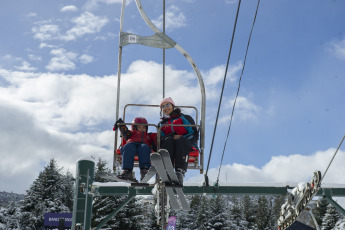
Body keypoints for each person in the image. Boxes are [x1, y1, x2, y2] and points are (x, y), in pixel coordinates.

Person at [158, 97, 197, 185]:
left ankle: (180, 172)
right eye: (163, 106)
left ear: (173, 105)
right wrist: (171, 136)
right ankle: (168, 171)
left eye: (167, 104)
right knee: (168, 141)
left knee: (180, 140)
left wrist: (182, 137)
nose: (166, 108)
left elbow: (194, 133)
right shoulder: (162, 124)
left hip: (185, 143)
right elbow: (161, 138)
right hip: (170, 144)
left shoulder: (184, 118)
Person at [114, 117, 157, 182]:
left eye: (143, 128)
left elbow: (154, 142)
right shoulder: (130, 133)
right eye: (139, 127)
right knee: (128, 147)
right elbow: (125, 132)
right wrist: (121, 124)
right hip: (132, 144)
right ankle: (127, 171)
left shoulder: (149, 135)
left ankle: (144, 170)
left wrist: (155, 148)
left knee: (144, 148)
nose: (142, 129)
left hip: (143, 145)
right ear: (134, 128)